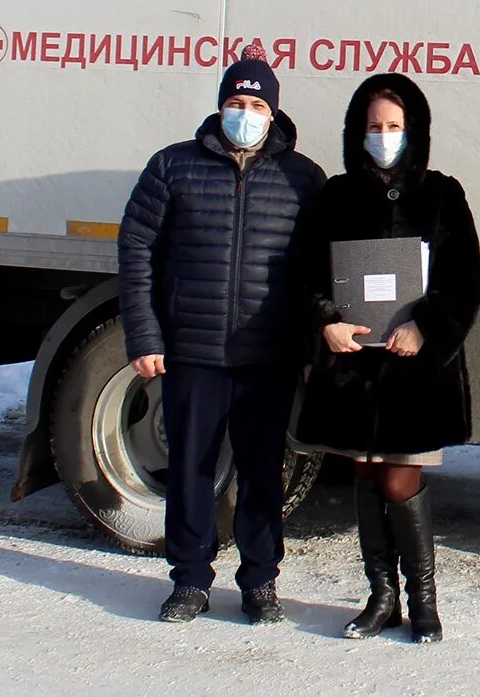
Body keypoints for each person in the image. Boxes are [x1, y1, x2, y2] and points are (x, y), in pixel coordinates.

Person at [117, 47, 325, 625]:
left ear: (274, 113)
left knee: (262, 473)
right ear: (219, 107)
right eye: (236, 101)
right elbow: (137, 251)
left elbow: (317, 272)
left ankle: (260, 582)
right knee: (190, 468)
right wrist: (144, 334)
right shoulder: (172, 167)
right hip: (193, 351)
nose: (245, 112)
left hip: (268, 357)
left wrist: (309, 349)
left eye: (257, 103)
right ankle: (189, 580)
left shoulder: (302, 178)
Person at [296, 73, 480, 644]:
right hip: (355, 371)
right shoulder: (336, 195)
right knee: (366, 478)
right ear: (358, 131)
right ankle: (381, 598)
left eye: (394, 126)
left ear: (415, 131)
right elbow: (305, 275)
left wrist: (424, 328)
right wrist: (325, 323)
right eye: (374, 126)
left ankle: (424, 600)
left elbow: (465, 282)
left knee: (401, 481)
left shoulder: (443, 194)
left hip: (416, 376)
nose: (384, 135)